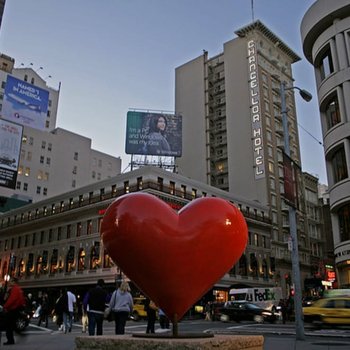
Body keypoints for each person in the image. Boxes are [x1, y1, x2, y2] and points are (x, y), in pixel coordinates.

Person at [2, 277, 26, 345]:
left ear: (14, 282)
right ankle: (17, 332)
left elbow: (12, 299)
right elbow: (22, 300)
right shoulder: (18, 289)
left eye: (10, 281)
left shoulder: (15, 289)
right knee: (12, 324)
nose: (9, 282)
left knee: (8, 325)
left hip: (12, 309)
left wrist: (5, 306)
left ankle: (10, 340)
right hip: (16, 309)